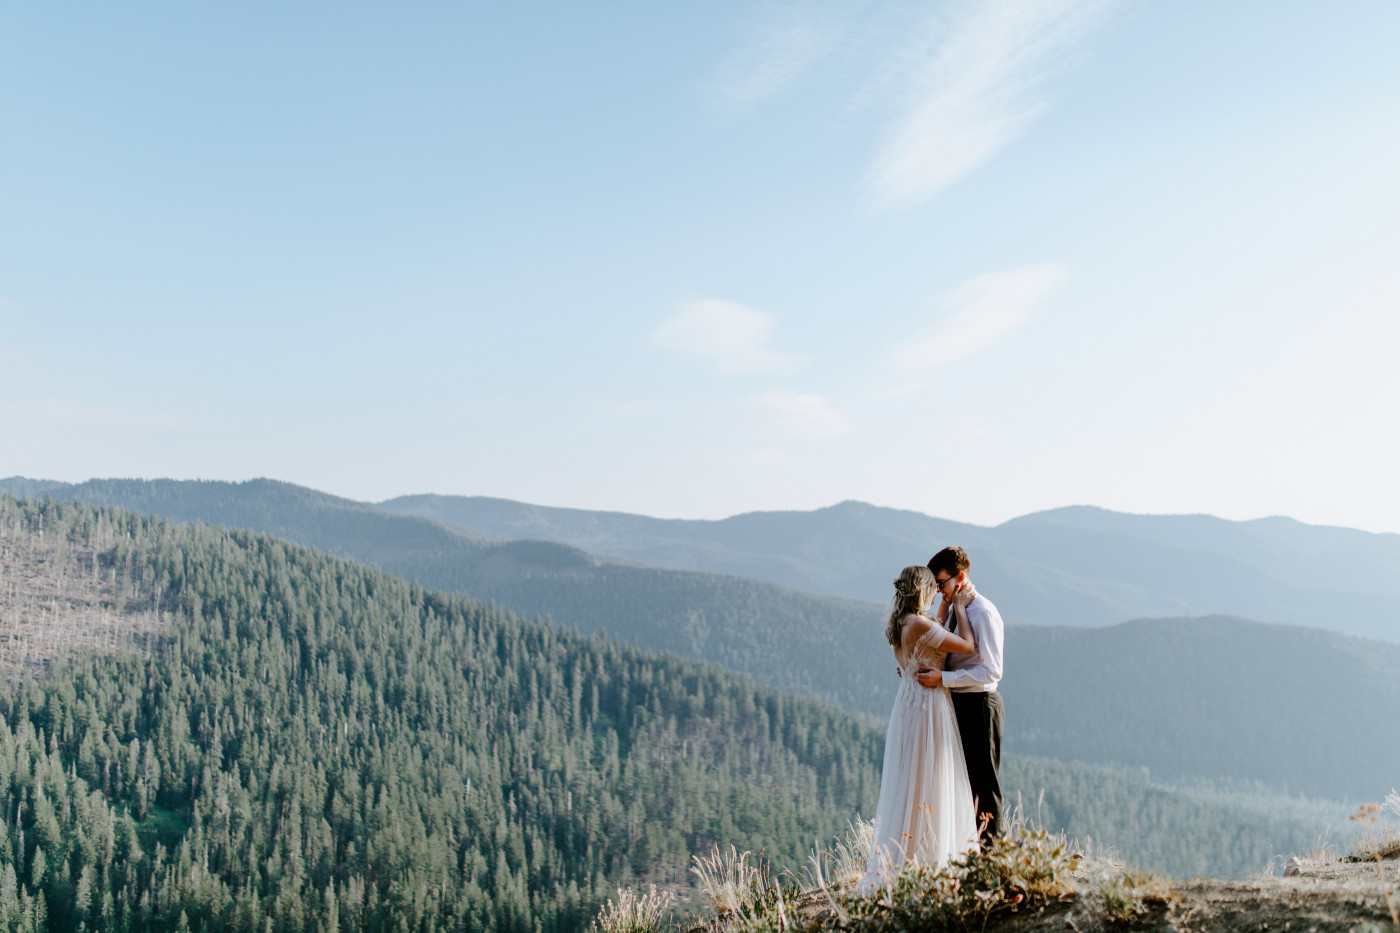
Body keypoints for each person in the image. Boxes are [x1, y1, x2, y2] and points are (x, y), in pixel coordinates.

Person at [860, 565, 980, 892]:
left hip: (908, 704)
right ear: (923, 591)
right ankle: (924, 858)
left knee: (911, 781)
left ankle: (907, 857)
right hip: (929, 707)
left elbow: (928, 637)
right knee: (930, 778)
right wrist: (958, 608)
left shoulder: (900, 624)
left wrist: (943, 610)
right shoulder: (920, 624)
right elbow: (967, 645)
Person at [916, 546, 1005, 842]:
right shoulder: (956, 609)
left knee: (983, 784)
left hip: (980, 704)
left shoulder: (983, 613)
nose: (939, 591)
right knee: (963, 783)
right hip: (958, 702)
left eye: (941, 584)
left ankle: (992, 856)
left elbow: (991, 672)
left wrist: (944, 679)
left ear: (960, 577)